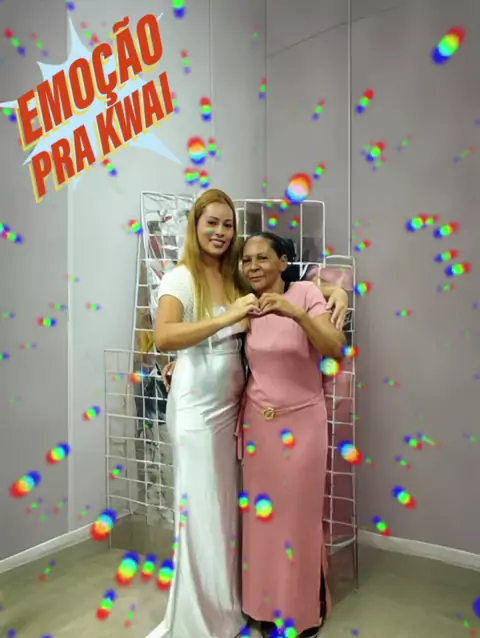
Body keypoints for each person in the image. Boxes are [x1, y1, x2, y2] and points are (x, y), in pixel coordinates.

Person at [147, 188, 259, 638]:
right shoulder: (181, 277)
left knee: (225, 511)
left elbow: (285, 288)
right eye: (211, 222)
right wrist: (225, 318)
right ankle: (198, 622)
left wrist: (337, 293)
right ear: (195, 226)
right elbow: (165, 336)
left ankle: (227, 607)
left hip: (232, 408)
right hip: (195, 409)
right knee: (199, 512)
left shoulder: (236, 277)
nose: (220, 232)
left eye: (228, 224)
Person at [238, 231, 347, 637]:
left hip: (302, 425)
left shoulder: (305, 293)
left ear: (283, 263)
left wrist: (296, 313)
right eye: (246, 260)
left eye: (262, 258)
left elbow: (334, 346)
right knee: (261, 519)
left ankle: (301, 609)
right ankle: (263, 605)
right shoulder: (244, 304)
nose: (253, 266)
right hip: (258, 425)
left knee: (298, 520)